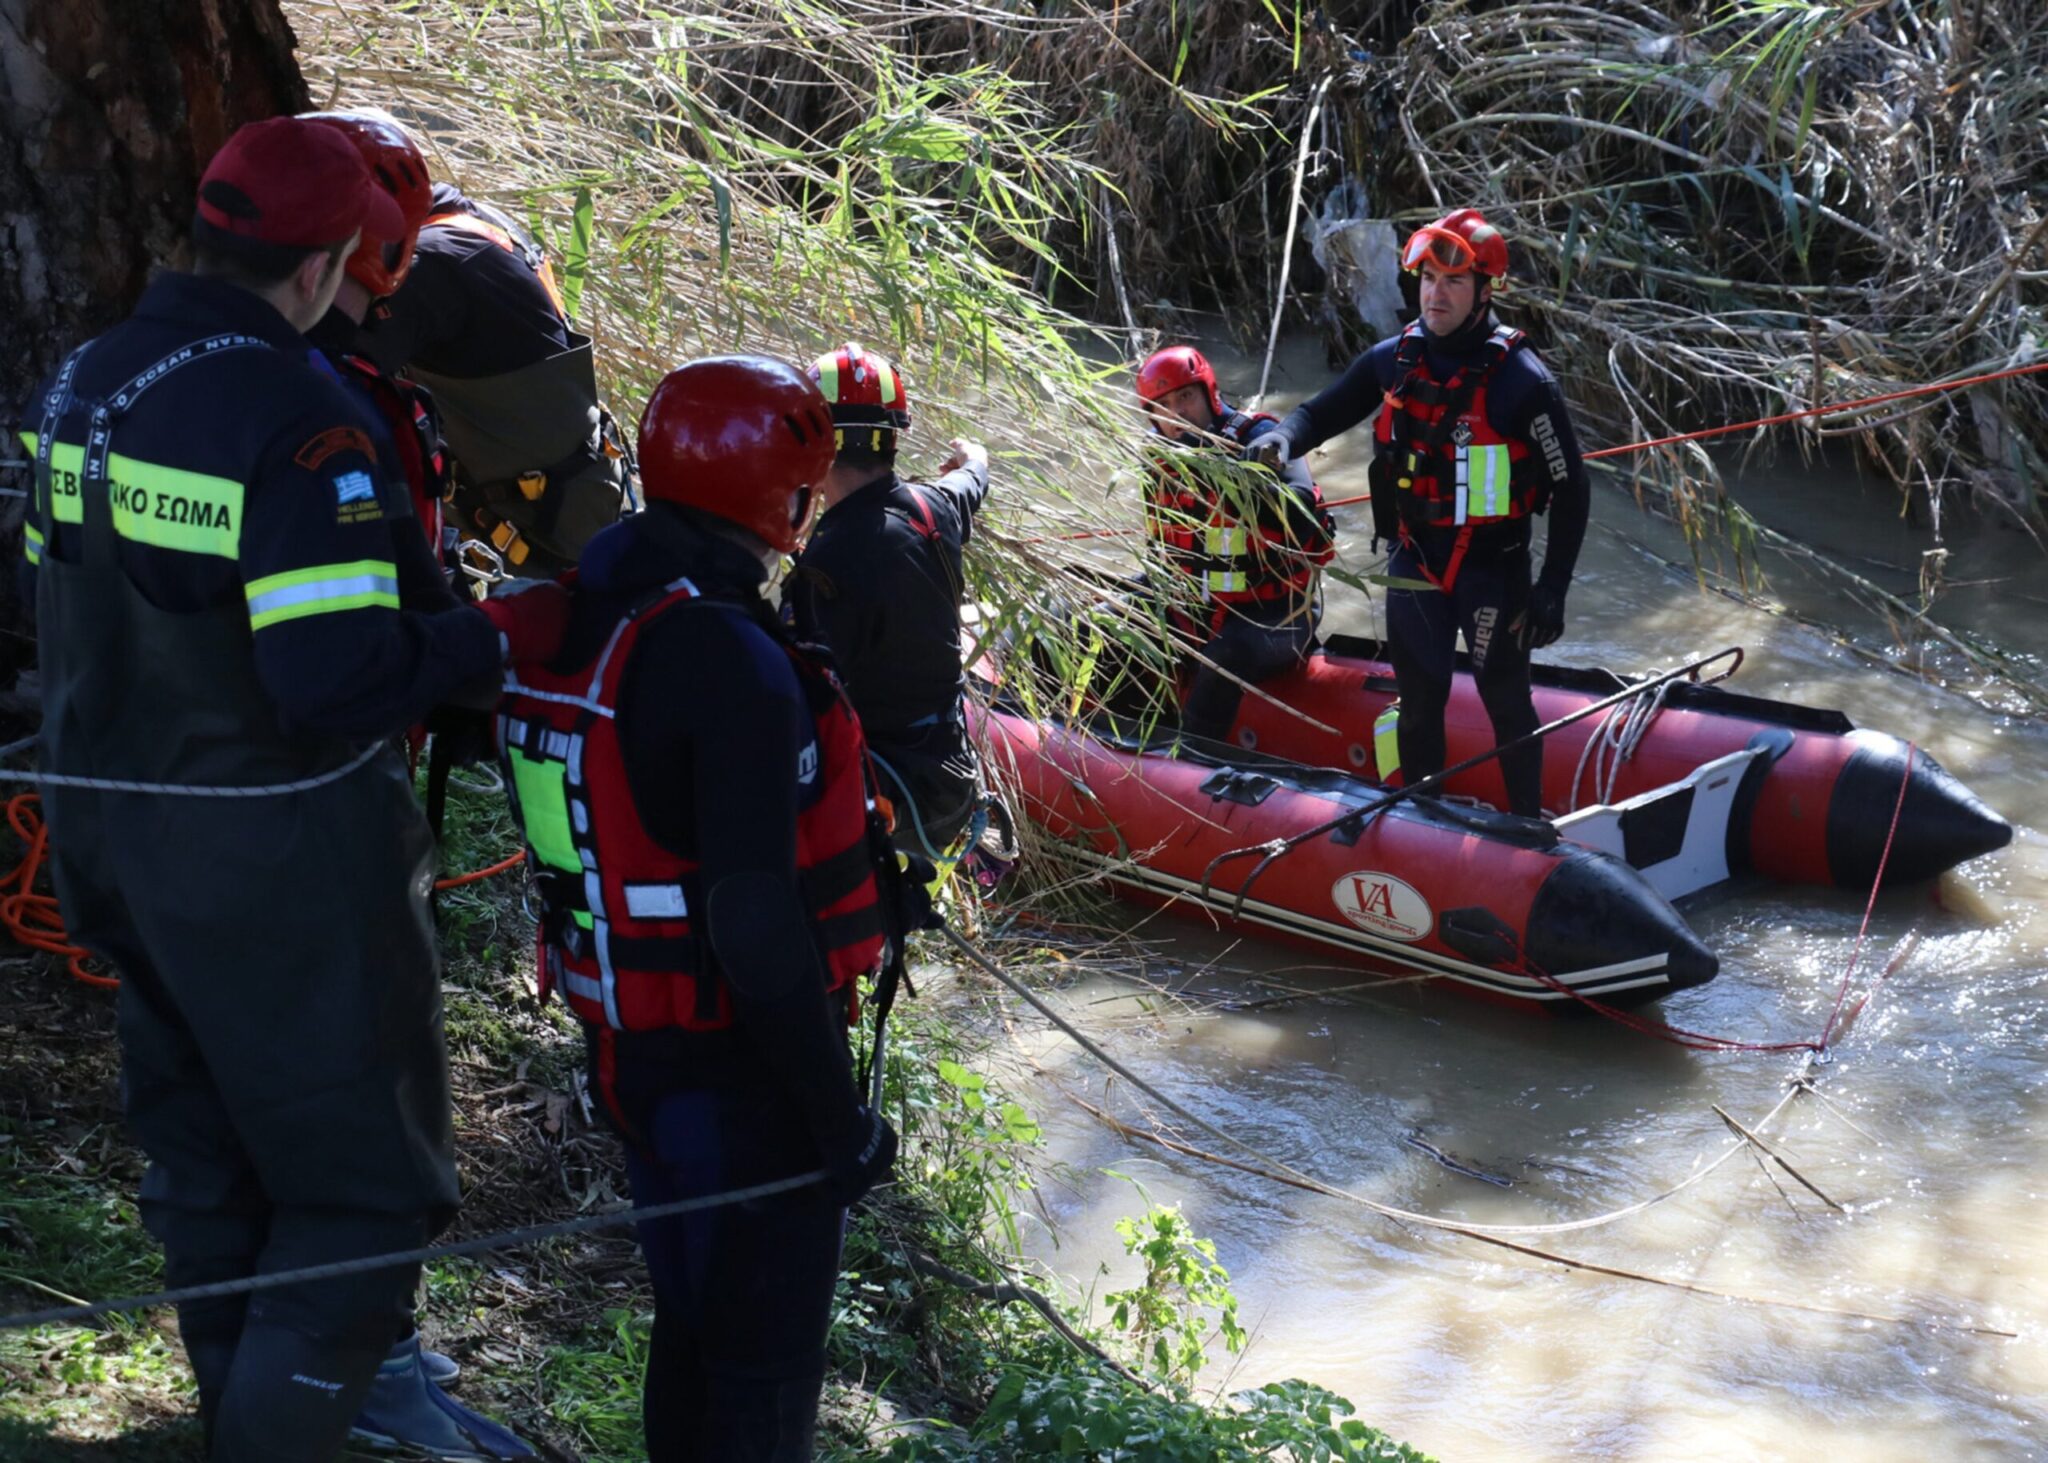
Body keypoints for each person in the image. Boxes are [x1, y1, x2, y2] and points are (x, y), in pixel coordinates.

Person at [18, 117, 567, 1460]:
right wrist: (498, 638)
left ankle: (244, 1417)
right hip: (274, 860)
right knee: (363, 1192)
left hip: (111, 832)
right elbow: (335, 679)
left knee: (208, 1161)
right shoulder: (299, 420)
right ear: (326, 267)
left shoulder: (90, 374)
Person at [494, 355, 907, 1461]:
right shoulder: (727, 658)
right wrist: (837, 1118)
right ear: (785, 498)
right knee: (761, 1365)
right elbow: (753, 920)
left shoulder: (594, 605)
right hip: (741, 1076)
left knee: (691, 1328)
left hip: (633, 1056)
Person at [298, 110, 536, 1460]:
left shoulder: (160, 375)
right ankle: (360, 1368)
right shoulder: (317, 410)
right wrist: (488, 651)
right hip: (313, 796)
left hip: (258, 790)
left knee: (321, 1073)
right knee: (366, 1075)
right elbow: (347, 646)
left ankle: (337, 1347)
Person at [1246, 209, 1590, 818]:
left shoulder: (1524, 382)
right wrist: (1280, 439)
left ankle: (1528, 827)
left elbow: (1573, 488)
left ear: (1486, 291)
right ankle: (1423, 818)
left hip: (1494, 570)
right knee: (1419, 700)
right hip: (1415, 562)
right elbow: (1320, 414)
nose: (1436, 293)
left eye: (1454, 281)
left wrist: (1553, 589)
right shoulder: (1393, 359)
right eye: (1429, 278)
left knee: (1507, 704)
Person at [363, 180, 632, 577]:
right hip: (572, 495)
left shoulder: (432, 260)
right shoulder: (472, 222)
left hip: (537, 525)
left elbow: (336, 367)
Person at [787, 343, 990, 859]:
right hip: (949, 780)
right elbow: (973, 478)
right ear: (894, 437)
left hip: (891, 795)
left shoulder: (828, 562)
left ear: (817, 443)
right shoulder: (936, 506)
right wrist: (974, 457)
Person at [1133, 345, 1336, 742]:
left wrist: (1243, 480)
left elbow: (1304, 514)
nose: (1177, 414)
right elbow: (1162, 552)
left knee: (1223, 657)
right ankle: (1121, 737)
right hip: (1197, 605)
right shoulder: (1158, 461)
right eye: (1163, 406)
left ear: (1209, 394)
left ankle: (1192, 757)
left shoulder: (1263, 438)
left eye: (1186, 397)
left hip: (1278, 616)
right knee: (1107, 616)